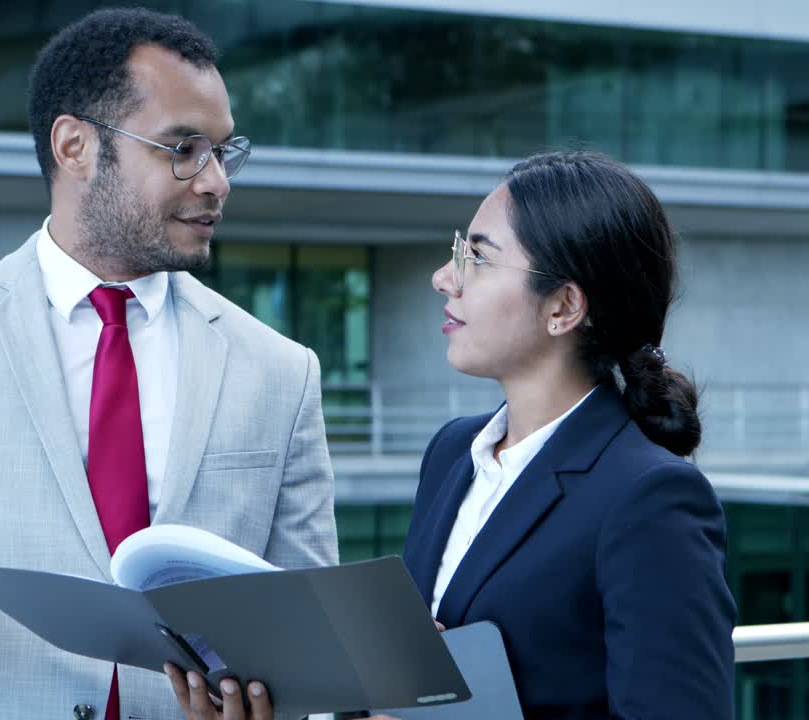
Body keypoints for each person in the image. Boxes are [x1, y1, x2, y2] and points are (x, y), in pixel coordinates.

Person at [0, 7, 338, 720]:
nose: (215, 183)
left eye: (222, 152)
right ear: (75, 145)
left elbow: (309, 639)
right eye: (182, 148)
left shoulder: (281, 371)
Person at [169, 151, 736, 720]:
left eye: (478, 258)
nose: (444, 278)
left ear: (563, 306)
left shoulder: (651, 498)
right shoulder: (452, 453)